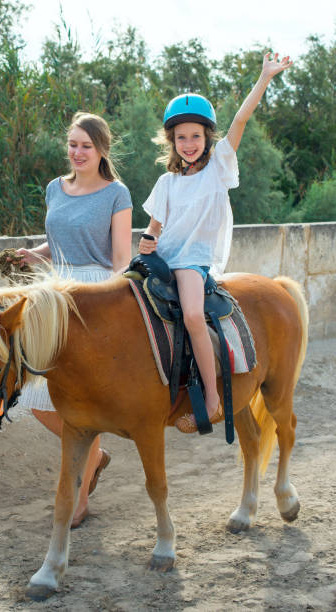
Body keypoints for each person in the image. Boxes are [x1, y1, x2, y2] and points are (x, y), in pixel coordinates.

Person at [139, 52, 293, 433]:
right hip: (162, 257)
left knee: (192, 315)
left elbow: (240, 119)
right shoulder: (166, 183)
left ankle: (211, 399)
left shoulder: (219, 168)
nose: (188, 143)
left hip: (191, 260)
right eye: (181, 137)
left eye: (195, 136)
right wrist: (148, 239)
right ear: (171, 141)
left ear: (207, 138)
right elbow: (155, 226)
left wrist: (264, 78)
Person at [14, 111, 133, 525]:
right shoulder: (54, 188)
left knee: (86, 404)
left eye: (87, 145)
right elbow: (59, 238)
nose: (78, 152)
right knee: (33, 399)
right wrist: (36, 254)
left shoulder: (117, 193)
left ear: (102, 150)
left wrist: (110, 301)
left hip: (92, 299)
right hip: (51, 296)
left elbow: (121, 259)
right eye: (73, 144)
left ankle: (79, 500)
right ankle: (95, 458)